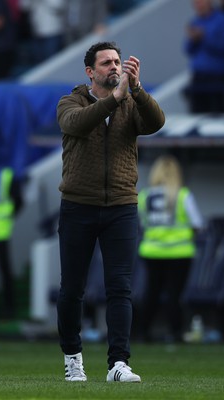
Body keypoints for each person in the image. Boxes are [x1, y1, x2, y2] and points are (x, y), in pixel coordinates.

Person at [56, 41, 165, 382]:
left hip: (120, 205)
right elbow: (76, 124)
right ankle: (73, 360)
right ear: (91, 71)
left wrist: (138, 90)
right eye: (106, 63)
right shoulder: (70, 101)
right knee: (72, 288)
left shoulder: (131, 101)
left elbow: (157, 122)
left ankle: (118, 363)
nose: (114, 67)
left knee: (120, 287)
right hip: (78, 206)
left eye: (118, 61)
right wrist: (114, 98)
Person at [137, 155, 203, 343]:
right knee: (174, 294)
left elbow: (141, 223)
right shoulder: (183, 195)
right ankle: (175, 332)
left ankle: (144, 332)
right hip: (179, 252)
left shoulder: (144, 196)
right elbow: (197, 223)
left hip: (151, 251)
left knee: (151, 292)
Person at [0, 141, 23, 319]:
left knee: (4, 271)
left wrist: (8, 217)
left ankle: (9, 309)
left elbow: (18, 200)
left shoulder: (4, 175)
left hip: (1, 231)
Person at [183, 0, 224, 113]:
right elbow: (187, 49)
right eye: (196, 3)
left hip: (217, 76)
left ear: (209, 2)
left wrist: (204, 37)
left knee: (219, 114)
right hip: (199, 76)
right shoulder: (195, 21)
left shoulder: (222, 19)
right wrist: (193, 39)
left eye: (201, 2)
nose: (198, 6)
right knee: (197, 113)